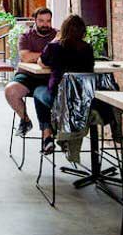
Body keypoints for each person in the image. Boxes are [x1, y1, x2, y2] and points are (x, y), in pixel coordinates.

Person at [38, 14, 95, 152]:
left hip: (59, 97)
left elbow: (41, 62)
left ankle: (48, 135)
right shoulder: (87, 48)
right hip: (84, 99)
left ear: (63, 30)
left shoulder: (54, 47)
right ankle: (61, 134)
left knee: (38, 93)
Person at [4, 7, 57, 139]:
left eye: (48, 21)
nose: (45, 24)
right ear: (35, 20)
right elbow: (26, 57)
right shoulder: (26, 36)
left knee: (44, 94)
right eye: (41, 21)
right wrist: (48, 55)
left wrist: (38, 56)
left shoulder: (57, 35)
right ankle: (25, 120)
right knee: (10, 91)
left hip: (49, 77)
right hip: (28, 76)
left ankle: (51, 132)